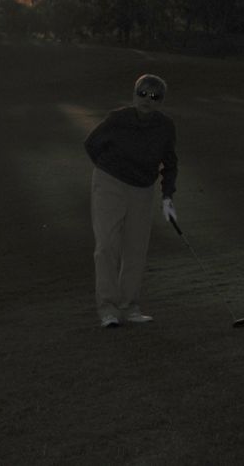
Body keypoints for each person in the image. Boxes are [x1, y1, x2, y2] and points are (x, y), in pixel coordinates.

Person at [84, 74, 178, 328]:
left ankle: (130, 306)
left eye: (155, 97)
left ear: (161, 102)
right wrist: (110, 168)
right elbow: (91, 144)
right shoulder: (118, 119)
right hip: (109, 182)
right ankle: (107, 309)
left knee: (135, 248)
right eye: (143, 94)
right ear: (134, 94)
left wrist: (167, 197)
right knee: (107, 245)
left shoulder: (165, 126)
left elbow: (170, 163)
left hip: (143, 189)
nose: (148, 100)